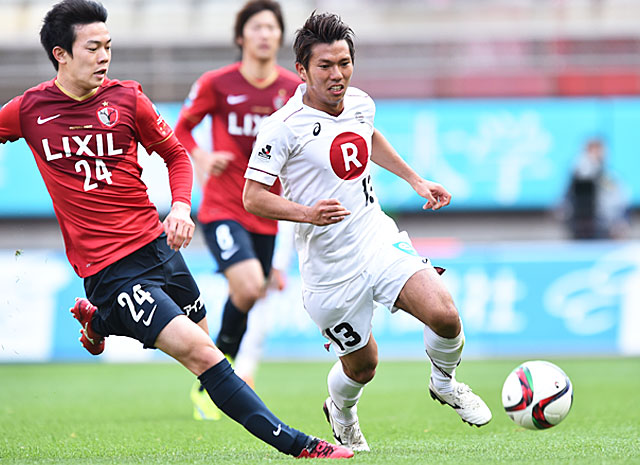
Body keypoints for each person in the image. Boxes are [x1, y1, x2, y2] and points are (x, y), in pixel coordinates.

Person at [0, 0, 352, 459]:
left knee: (205, 339)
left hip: (158, 246)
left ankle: (100, 321)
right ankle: (302, 446)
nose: (104, 56)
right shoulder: (30, 110)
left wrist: (182, 207)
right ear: (60, 54)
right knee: (205, 357)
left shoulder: (128, 99)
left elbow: (175, 154)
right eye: (93, 48)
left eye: (108, 46)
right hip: (110, 269)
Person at [242, 12, 492, 452]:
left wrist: (415, 180)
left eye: (344, 63)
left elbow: (368, 135)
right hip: (329, 269)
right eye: (325, 66)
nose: (337, 75)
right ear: (302, 70)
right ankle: (341, 411)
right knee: (363, 366)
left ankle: (444, 382)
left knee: (444, 313)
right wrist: (307, 213)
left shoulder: (360, 103)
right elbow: (253, 196)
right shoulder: (282, 127)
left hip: (376, 237)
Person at [174, 0, 300, 420]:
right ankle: (217, 377)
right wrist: (203, 157)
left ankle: (211, 379)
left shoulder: (293, 90)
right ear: (241, 36)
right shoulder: (217, 83)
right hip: (223, 206)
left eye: (272, 27)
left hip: (267, 210)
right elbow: (181, 128)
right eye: (257, 27)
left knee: (249, 293)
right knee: (247, 288)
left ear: (280, 37)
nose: (265, 34)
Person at [563, 137, 630, 240]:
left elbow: (621, 199)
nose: (601, 154)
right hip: (582, 228)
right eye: (595, 151)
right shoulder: (578, 173)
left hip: (606, 229)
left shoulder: (607, 176)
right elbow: (582, 173)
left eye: (601, 151)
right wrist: (589, 161)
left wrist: (620, 222)